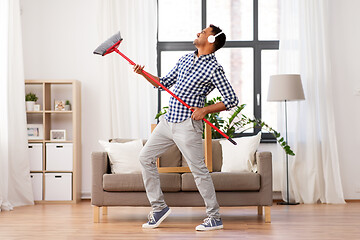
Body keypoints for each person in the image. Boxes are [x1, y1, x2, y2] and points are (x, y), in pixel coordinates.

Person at [133, 24, 239, 231]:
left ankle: (214, 217)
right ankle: (159, 208)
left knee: (199, 171)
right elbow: (162, 83)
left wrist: (205, 110)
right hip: (167, 121)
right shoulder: (184, 59)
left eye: (204, 32)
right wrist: (143, 74)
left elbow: (232, 99)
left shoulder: (214, 68)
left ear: (211, 40)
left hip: (187, 126)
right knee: (144, 157)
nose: (198, 33)